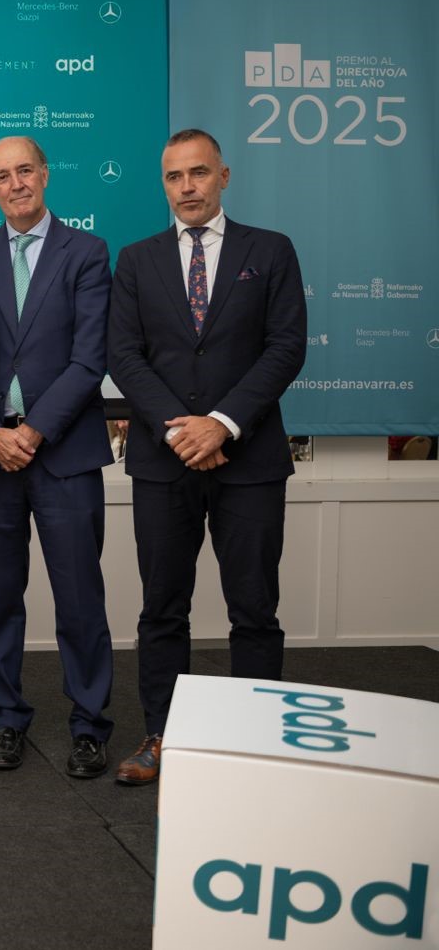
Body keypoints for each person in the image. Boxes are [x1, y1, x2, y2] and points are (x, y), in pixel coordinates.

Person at [107, 129, 307, 785]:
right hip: (164, 462)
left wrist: (220, 424)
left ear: (224, 174)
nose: (187, 187)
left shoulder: (270, 251)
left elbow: (286, 347)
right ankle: (162, 737)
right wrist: (179, 430)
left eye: (198, 173)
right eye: (174, 177)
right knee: (163, 607)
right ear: (163, 184)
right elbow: (124, 356)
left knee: (253, 607)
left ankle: (256, 744)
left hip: (248, 461)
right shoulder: (136, 260)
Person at [0, 136, 115, 778]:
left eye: (25, 170)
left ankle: (89, 725)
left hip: (63, 452)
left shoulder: (87, 251)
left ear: (45, 175)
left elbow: (90, 358)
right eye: (2, 176)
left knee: (79, 597)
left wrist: (36, 430)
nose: (16, 183)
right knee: (0, 596)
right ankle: (7, 718)